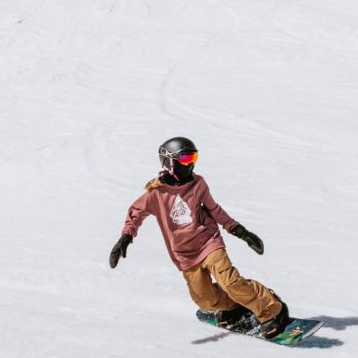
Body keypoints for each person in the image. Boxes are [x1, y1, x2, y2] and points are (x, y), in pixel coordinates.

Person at [108, 137, 292, 337]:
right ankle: (235, 307)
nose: (191, 163)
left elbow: (214, 209)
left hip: (209, 242)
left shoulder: (198, 183)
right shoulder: (156, 194)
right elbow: (135, 214)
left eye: (193, 157)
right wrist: (125, 238)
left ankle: (272, 310)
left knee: (231, 283)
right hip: (185, 255)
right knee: (205, 299)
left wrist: (240, 231)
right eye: (186, 158)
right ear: (170, 162)